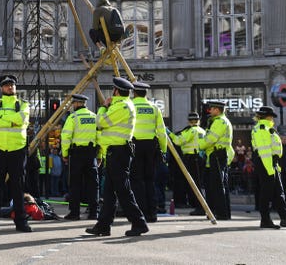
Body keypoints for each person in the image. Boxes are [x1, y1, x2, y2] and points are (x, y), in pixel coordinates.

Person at [85, 77, 149, 237]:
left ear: (117, 91)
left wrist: (103, 107)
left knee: (123, 191)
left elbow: (100, 122)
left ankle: (139, 222)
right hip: (115, 152)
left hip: (119, 152)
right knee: (109, 193)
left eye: (113, 89)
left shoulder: (120, 106)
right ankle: (103, 225)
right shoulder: (122, 105)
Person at [0, 74, 32, 233]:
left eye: (12, 85)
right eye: (7, 85)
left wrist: (3, 119)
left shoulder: (24, 104)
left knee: (18, 188)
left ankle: (21, 222)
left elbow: (22, 119)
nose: (10, 87)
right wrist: (12, 120)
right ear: (1, 88)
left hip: (17, 149)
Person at [250, 106, 286, 230]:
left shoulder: (267, 128)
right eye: (271, 115)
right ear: (266, 116)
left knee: (278, 192)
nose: (272, 117)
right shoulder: (262, 129)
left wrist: (274, 166)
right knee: (267, 193)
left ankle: (285, 219)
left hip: (270, 163)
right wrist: (270, 169)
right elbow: (265, 151)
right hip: (265, 163)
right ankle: (266, 220)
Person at [129, 81, 166, 223]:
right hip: (151, 147)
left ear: (134, 92)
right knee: (150, 180)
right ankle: (152, 213)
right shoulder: (154, 107)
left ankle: (142, 213)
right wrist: (163, 150)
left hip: (135, 146)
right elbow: (162, 132)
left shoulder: (131, 106)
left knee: (137, 180)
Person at [60, 93, 99, 220]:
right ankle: (94, 212)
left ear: (77, 103)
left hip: (76, 154)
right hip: (91, 153)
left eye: (73, 103)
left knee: (75, 184)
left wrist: (65, 154)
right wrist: (100, 155)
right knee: (93, 184)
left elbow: (65, 137)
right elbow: (101, 138)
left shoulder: (73, 118)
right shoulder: (95, 117)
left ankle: (74, 213)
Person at [199, 100, 234, 220]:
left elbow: (210, 139)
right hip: (216, 155)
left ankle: (221, 213)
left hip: (217, 155)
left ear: (217, 110)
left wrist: (200, 145)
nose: (210, 111)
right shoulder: (218, 121)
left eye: (212, 109)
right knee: (214, 185)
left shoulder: (220, 122)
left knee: (217, 186)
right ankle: (217, 211)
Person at [168, 111, 206, 215]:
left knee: (194, 184)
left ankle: (200, 208)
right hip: (200, 158)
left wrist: (169, 133)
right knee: (198, 183)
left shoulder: (191, 131)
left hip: (192, 158)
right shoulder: (202, 130)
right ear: (198, 120)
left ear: (189, 121)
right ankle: (200, 206)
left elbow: (178, 141)